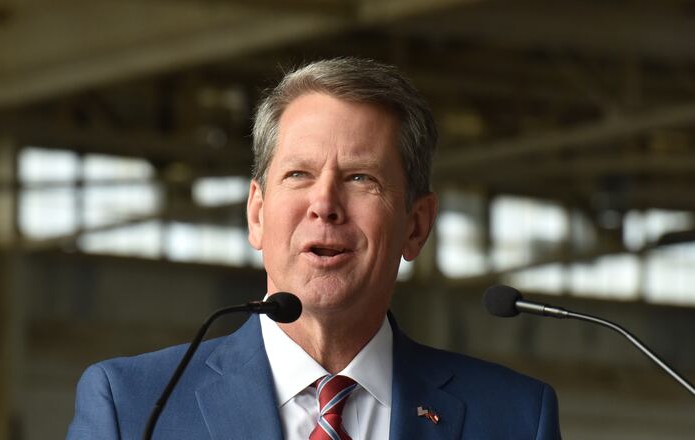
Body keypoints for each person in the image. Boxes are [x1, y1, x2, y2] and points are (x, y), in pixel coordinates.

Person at [67, 58, 561, 440]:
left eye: (360, 178)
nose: (324, 205)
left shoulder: (516, 418)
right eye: (298, 174)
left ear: (416, 226)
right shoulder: (131, 406)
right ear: (257, 214)